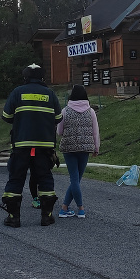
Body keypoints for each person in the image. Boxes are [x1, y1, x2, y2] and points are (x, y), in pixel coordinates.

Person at [0, 63, 62, 227]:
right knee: (45, 178)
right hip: (44, 146)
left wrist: (22, 119)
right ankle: (46, 216)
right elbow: (58, 118)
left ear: (25, 77)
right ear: (43, 78)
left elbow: (6, 116)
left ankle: (14, 217)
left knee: (16, 178)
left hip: (21, 144)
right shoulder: (50, 94)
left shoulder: (17, 92)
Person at [57, 85, 100, 219]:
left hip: (69, 148)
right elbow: (95, 131)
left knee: (74, 179)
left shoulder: (65, 111)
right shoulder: (91, 111)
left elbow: (59, 131)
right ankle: (79, 208)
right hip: (85, 149)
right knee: (77, 179)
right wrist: (96, 147)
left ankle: (66, 208)